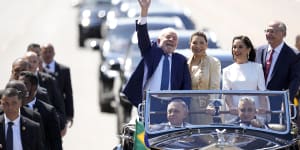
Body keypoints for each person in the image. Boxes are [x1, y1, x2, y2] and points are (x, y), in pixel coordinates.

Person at [123, 0, 191, 108]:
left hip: (171, 106)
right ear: (159, 41)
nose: (171, 40)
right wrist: (144, 11)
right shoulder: (151, 52)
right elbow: (142, 35)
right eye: (168, 37)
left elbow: (186, 87)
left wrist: (185, 106)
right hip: (150, 103)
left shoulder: (181, 60)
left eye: (174, 39)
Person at [256, 21, 300, 122]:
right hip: (258, 106)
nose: (269, 34)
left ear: (283, 34)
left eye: (273, 31)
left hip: (279, 106)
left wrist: (286, 101)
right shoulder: (258, 51)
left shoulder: (294, 55)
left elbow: (295, 81)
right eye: (267, 31)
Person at [223, 35, 269, 114]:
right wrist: (231, 107)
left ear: (248, 49)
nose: (236, 50)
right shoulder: (227, 70)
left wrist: (263, 108)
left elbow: (262, 92)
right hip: (235, 114)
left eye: (240, 47)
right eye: (234, 47)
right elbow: (226, 93)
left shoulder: (257, 68)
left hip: (255, 113)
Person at [18, 71, 63, 150]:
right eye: (19, 84)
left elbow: (55, 141)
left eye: (24, 84)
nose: (20, 88)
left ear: (34, 87)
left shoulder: (48, 111)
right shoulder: (14, 108)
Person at [187, 31, 221, 124]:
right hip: (186, 109)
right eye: (194, 43)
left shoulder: (213, 62)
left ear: (206, 45)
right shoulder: (185, 62)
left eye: (201, 43)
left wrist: (211, 104)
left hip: (204, 108)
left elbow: (215, 86)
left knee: (203, 137)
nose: (198, 46)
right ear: (190, 45)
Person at [40, 43, 74, 128]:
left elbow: (68, 94)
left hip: (58, 112)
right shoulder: (38, 71)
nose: (48, 54)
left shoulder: (64, 70)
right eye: (45, 52)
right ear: (40, 54)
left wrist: (69, 115)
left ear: (54, 53)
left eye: (50, 52)